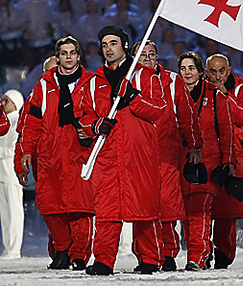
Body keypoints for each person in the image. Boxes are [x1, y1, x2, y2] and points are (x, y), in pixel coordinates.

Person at [78, 26, 166, 275]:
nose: (108, 48)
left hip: (138, 152)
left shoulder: (144, 76)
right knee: (106, 209)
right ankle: (104, 260)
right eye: (104, 44)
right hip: (107, 153)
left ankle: (150, 258)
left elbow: (158, 108)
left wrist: (134, 98)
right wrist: (96, 125)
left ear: (125, 46)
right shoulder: (94, 81)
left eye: (113, 43)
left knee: (143, 206)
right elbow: (83, 114)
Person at [20, 36, 95, 270]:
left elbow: (100, 115)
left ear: (78, 56)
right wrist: (26, 150)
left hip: (80, 154)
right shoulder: (43, 85)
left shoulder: (91, 83)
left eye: (72, 52)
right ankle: (62, 248)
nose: (69, 57)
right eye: (64, 53)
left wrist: (90, 130)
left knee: (81, 209)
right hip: (50, 154)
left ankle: (79, 255)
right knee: (50, 207)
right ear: (58, 56)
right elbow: (32, 122)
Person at [132, 40, 201, 272]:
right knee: (141, 206)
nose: (148, 58)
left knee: (168, 205)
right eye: (143, 55)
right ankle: (144, 254)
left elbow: (187, 113)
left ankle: (169, 253)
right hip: (138, 153)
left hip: (167, 152)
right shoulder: (127, 80)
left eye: (151, 54)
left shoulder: (172, 80)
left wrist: (194, 145)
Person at [177, 51, 235, 271]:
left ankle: (197, 256)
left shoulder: (215, 95)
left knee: (199, 211)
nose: (187, 73)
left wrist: (229, 161)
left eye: (191, 68)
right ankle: (202, 249)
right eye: (183, 69)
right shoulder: (174, 93)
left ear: (200, 72)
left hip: (208, 161)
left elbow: (227, 130)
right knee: (184, 213)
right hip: (181, 162)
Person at [205, 53, 243, 269]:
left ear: (229, 70)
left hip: (233, 157)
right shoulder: (200, 90)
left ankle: (224, 254)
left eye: (221, 71)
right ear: (206, 72)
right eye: (213, 72)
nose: (217, 76)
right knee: (203, 209)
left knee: (227, 213)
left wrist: (225, 96)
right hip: (208, 154)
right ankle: (202, 252)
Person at [0, 90, 24, 259]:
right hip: (2, 173)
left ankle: (14, 249)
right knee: (5, 214)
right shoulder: (5, 121)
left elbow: (14, 148)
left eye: (7, 100)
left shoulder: (17, 122)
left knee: (14, 213)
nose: (3, 103)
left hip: (12, 173)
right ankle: (9, 249)